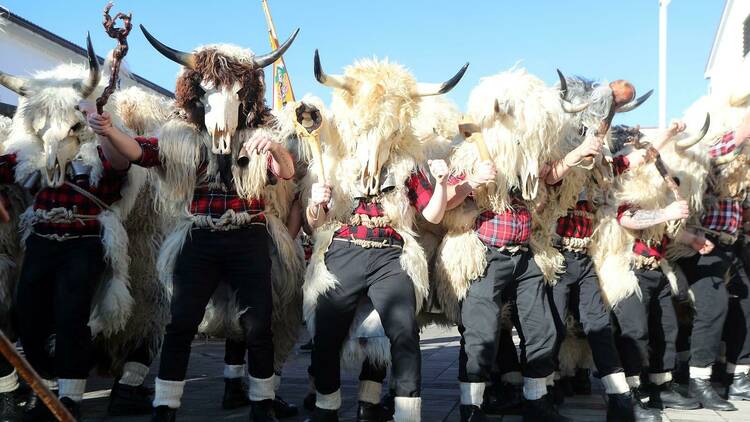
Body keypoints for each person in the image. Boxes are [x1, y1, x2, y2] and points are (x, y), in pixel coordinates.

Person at [90, 26, 299, 422]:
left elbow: (285, 172)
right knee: (181, 321)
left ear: (247, 94)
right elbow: (140, 152)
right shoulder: (179, 137)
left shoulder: (259, 137)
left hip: (248, 234)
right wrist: (111, 131)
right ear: (196, 93)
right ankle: (165, 406)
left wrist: (272, 146)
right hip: (199, 234)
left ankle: (262, 404)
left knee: (259, 324)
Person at [676, 113, 750, 409]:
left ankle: (739, 375)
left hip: (732, 244)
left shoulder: (743, 168)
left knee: (746, 302)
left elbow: (742, 208)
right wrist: (743, 130)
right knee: (713, 304)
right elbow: (712, 154)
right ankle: (699, 380)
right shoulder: (712, 151)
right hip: (703, 243)